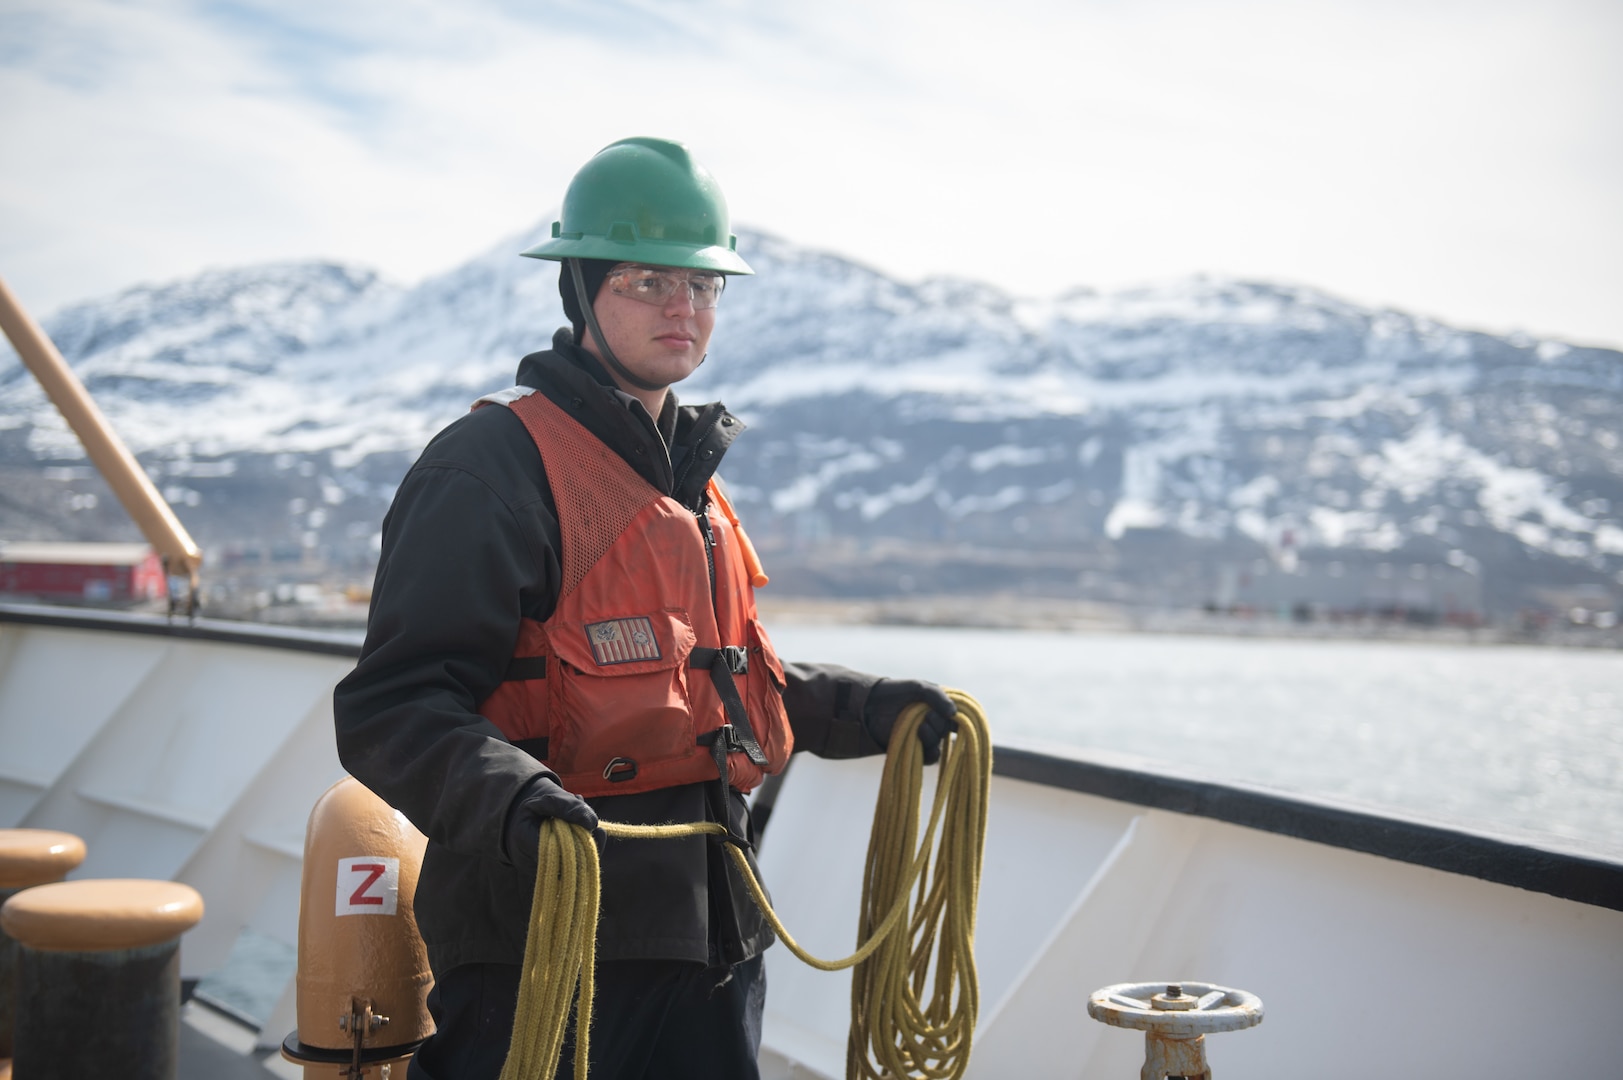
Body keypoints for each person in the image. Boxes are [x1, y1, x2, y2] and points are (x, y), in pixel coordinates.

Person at [332, 136, 956, 1080]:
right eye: (646, 281)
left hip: (711, 939)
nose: (683, 308)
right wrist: (512, 799)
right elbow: (392, 707)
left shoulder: (686, 478)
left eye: (703, 287)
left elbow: (721, 683)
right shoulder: (490, 470)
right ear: (582, 289)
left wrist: (868, 708)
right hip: (539, 944)